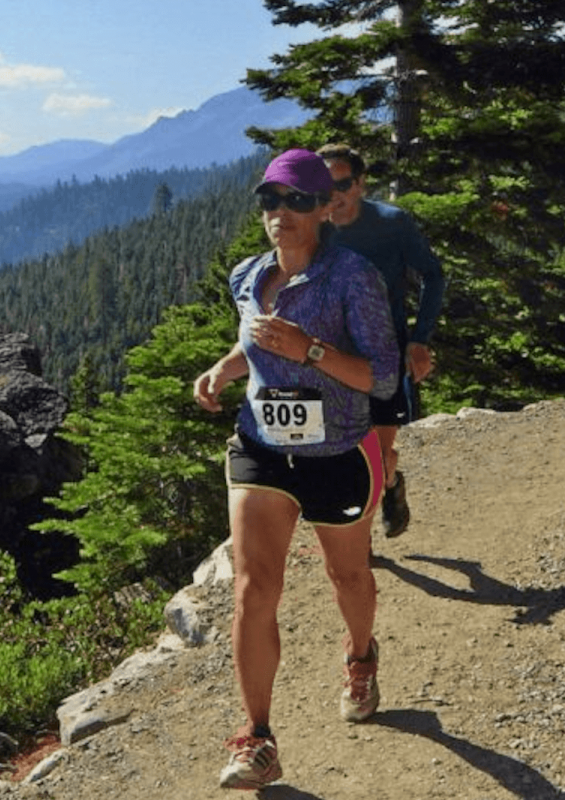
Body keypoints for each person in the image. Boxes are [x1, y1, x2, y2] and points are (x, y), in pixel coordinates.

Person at [193, 149, 400, 791]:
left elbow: (382, 375)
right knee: (254, 589)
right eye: (269, 201)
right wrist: (226, 369)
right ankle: (258, 737)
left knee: (348, 575)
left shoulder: (353, 278)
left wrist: (309, 350)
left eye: (296, 201)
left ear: (323, 210)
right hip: (261, 450)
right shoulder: (247, 276)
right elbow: (254, 339)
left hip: (337, 452)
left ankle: (360, 656)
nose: (280, 213)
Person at [317, 144, 446, 538]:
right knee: (340, 452)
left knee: (377, 454)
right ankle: (358, 542)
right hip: (329, 358)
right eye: (323, 185)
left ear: (359, 183)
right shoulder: (311, 226)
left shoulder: (392, 223)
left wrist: (420, 340)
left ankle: (391, 483)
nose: (332, 194)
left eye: (341, 184)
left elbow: (433, 275)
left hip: (382, 357)